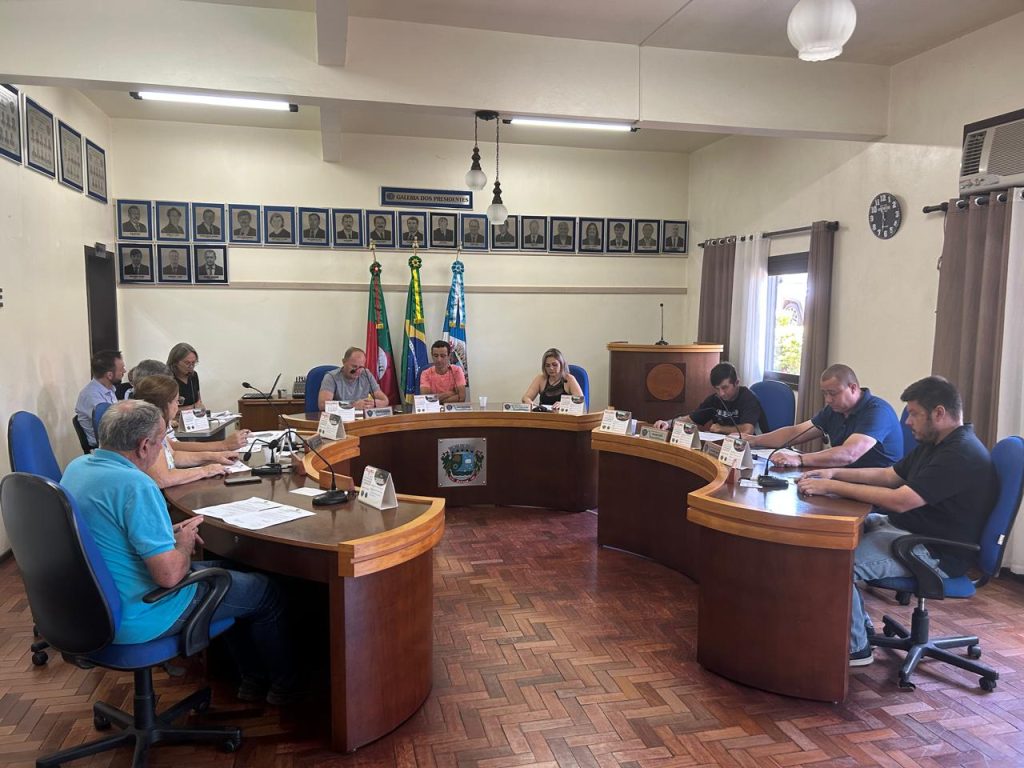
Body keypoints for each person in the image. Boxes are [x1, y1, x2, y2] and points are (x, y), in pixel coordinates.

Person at [60, 400, 299, 705]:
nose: (164, 450)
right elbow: (170, 576)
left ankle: (250, 679)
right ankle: (283, 688)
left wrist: (165, 534)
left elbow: (109, 533)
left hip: (93, 608)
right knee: (266, 592)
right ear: (144, 446)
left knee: (232, 570)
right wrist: (184, 543)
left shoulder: (77, 468)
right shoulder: (135, 485)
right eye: (162, 442)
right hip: (142, 611)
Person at [795, 376, 997, 666]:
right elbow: (890, 475)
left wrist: (833, 486)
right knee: (832, 536)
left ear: (939, 413)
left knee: (836, 564)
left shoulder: (960, 453)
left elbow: (901, 499)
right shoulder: (937, 442)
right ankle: (858, 626)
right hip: (908, 529)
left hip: (934, 550)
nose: (908, 422)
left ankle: (856, 649)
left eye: (914, 414)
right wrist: (833, 473)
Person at [744, 364, 902, 469]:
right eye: (824, 393)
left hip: (877, 488)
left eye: (833, 393)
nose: (828, 400)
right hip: (844, 478)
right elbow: (796, 432)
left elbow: (849, 454)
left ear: (853, 388)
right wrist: (754, 440)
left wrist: (800, 459)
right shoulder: (834, 410)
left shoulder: (878, 412)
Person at [132, 375, 238, 488]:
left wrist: (214, 456)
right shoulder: (147, 430)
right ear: (164, 404)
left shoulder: (157, 426)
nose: (178, 406)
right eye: (176, 401)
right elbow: (162, 479)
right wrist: (205, 471)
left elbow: (174, 456)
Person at [654, 362, 767, 434]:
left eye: (725, 388)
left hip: (755, 450)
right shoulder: (715, 399)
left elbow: (747, 430)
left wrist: (721, 429)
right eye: (717, 389)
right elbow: (691, 419)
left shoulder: (749, 399)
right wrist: (668, 423)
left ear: (736, 383)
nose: (721, 393)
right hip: (726, 448)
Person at [75, 349, 125, 448]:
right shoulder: (91, 396)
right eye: (121, 369)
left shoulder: (108, 389)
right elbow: (111, 426)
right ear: (109, 375)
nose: (124, 371)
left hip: (113, 439)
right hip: (104, 446)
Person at [318, 347, 390, 410]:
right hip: (339, 418)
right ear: (344, 362)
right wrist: (352, 406)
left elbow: (385, 400)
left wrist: (373, 403)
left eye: (361, 367)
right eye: (354, 366)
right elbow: (323, 405)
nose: (357, 371)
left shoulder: (366, 375)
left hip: (361, 418)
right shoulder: (331, 377)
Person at [168, 342, 203, 409]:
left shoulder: (194, 375)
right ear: (175, 362)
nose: (191, 366)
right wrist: (192, 407)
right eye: (187, 363)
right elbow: (165, 410)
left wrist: (201, 407)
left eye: (193, 362)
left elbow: (199, 402)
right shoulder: (167, 379)